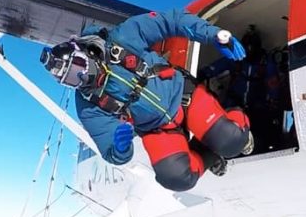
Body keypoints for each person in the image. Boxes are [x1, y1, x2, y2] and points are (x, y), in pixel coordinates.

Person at [40, 10, 253, 192]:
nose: (82, 77)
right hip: (158, 129)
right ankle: (210, 154)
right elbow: (111, 152)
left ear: (84, 52)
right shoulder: (88, 105)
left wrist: (212, 35)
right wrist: (121, 148)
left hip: (183, 97)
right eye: (71, 79)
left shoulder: (123, 37)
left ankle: (233, 115)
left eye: (79, 67)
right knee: (176, 178)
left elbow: (173, 20)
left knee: (232, 141)